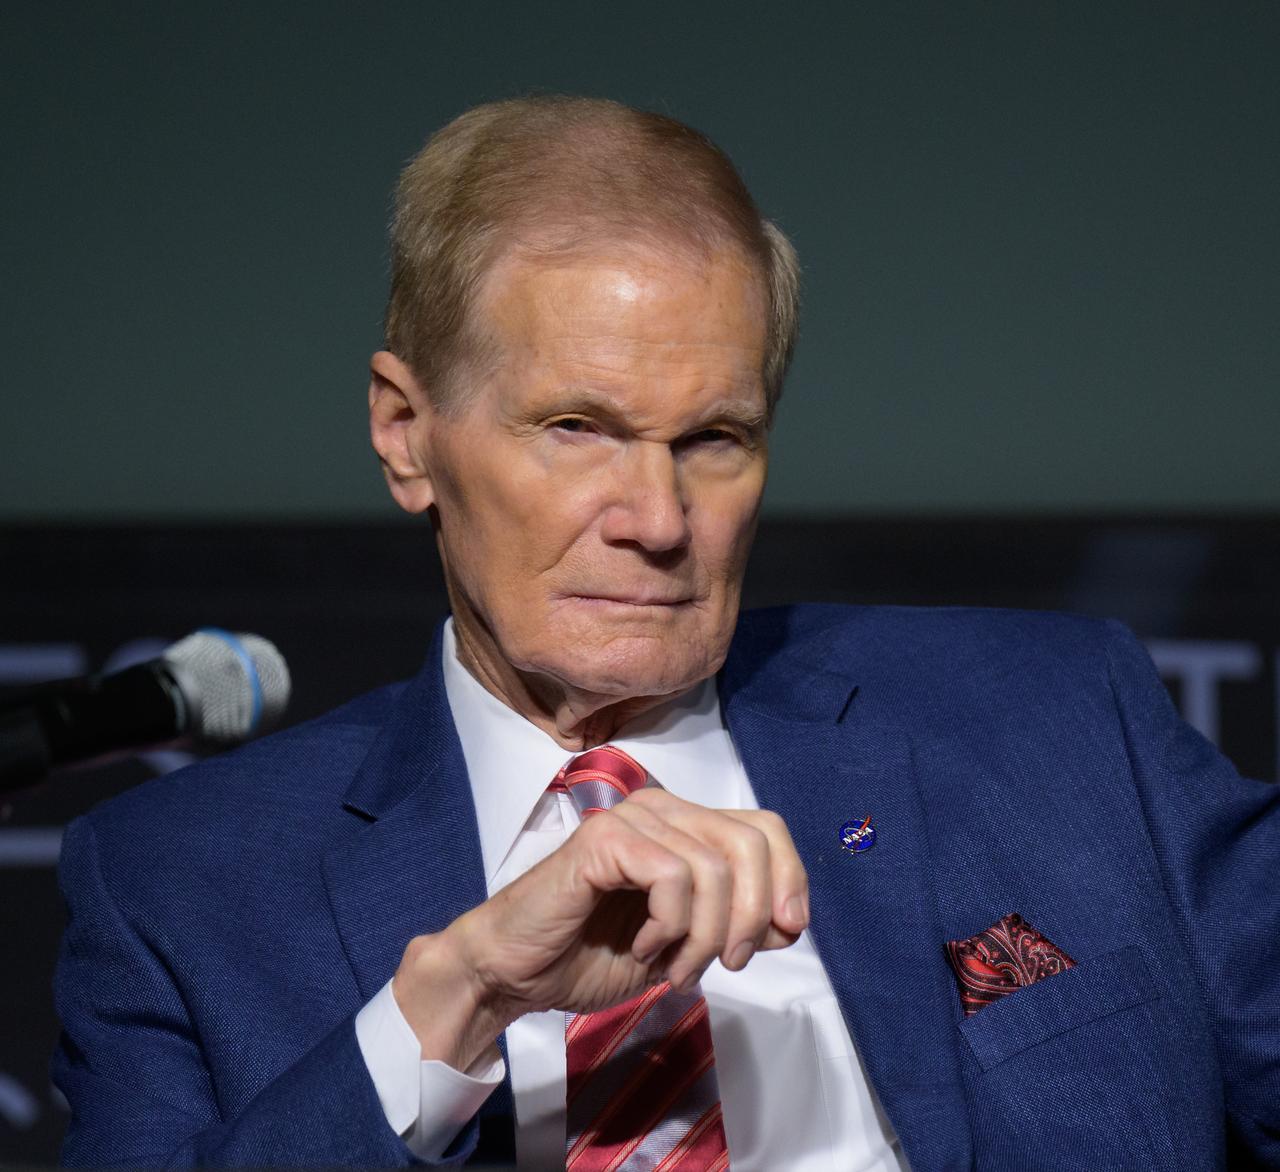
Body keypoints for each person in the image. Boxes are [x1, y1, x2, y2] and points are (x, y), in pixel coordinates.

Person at [52, 96, 1279, 1171]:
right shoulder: (180, 884)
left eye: (713, 439)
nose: (656, 519)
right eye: (576, 427)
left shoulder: (1056, 722)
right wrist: (452, 1004)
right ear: (405, 433)